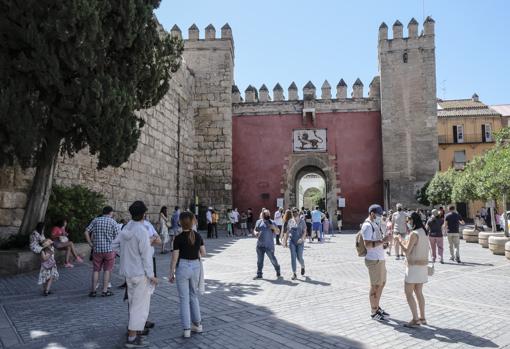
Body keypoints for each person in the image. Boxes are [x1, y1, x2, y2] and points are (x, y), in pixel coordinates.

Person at [112, 201, 157, 348]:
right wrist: (151, 275)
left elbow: (114, 245)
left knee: (133, 304)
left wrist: (125, 255)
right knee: (140, 307)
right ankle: (132, 337)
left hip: (128, 273)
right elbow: (145, 256)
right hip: (140, 273)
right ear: (144, 214)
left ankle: (132, 334)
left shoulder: (127, 227)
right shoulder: (142, 231)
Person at [169, 211, 206, 338]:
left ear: (180, 222)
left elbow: (174, 258)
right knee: (193, 296)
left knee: (184, 299)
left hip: (183, 267)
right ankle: (198, 325)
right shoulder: (198, 235)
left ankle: (186, 329)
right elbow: (204, 253)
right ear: (193, 222)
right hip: (195, 266)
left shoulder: (178, 238)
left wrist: (171, 273)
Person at [396, 212, 430, 327]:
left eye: (408, 220)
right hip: (422, 266)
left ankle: (415, 319)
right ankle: (422, 317)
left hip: (413, 267)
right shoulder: (424, 232)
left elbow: (407, 251)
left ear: (413, 220)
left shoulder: (414, 234)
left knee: (408, 292)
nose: (407, 222)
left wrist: (399, 240)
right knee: (419, 292)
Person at [362, 204, 391, 321]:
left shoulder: (375, 224)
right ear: (372, 213)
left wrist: (384, 244)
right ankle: (373, 311)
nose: (380, 217)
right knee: (375, 286)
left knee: (382, 283)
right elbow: (367, 244)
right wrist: (382, 240)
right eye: (378, 215)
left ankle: (377, 306)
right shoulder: (367, 226)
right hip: (373, 260)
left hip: (380, 258)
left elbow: (376, 242)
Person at [85, 206, 120, 297]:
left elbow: (86, 231)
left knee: (96, 270)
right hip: (109, 250)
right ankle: (105, 291)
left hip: (97, 250)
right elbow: (118, 237)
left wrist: (90, 243)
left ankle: (93, 291)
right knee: (107, 270)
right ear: (110, 212)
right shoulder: (113, 222)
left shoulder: (95, 220)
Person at [253, 209, 281, 279]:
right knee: (259, 261)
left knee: (273, 260)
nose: (267, 215)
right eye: (265, 214)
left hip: (269, 246)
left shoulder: (272, 222)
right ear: (262, 215)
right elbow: (255, 230)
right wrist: (255, 233)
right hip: (260, 246)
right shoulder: (258, 222)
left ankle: (277, 269)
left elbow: (278, 232)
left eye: (268, 214)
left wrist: (273, 228)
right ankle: (259, 274)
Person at [281, 208, 306, 280]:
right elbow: (288, 232)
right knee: (293, 257)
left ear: (298, 212)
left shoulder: (302, 222)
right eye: (293, 212)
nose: (294, 213)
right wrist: (285, 241)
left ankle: (303, 266)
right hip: (292, 241)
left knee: (299, 257)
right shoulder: (290, 221)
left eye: (295, 212)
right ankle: (294, 273)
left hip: (300, 242)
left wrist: (302, 238)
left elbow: (304, 231)